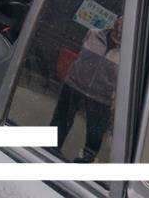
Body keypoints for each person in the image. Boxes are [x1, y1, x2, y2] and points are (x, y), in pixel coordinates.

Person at [51, 17, 122, 163]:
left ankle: (85, 162)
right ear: (116, 21)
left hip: (102, 97)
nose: (123, 25)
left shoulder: (128, 53)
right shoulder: (93, 34)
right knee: (60, 120)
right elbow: (80, 56)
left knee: (94, 134)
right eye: (122, 20)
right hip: (74, 85)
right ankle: (49, 150)